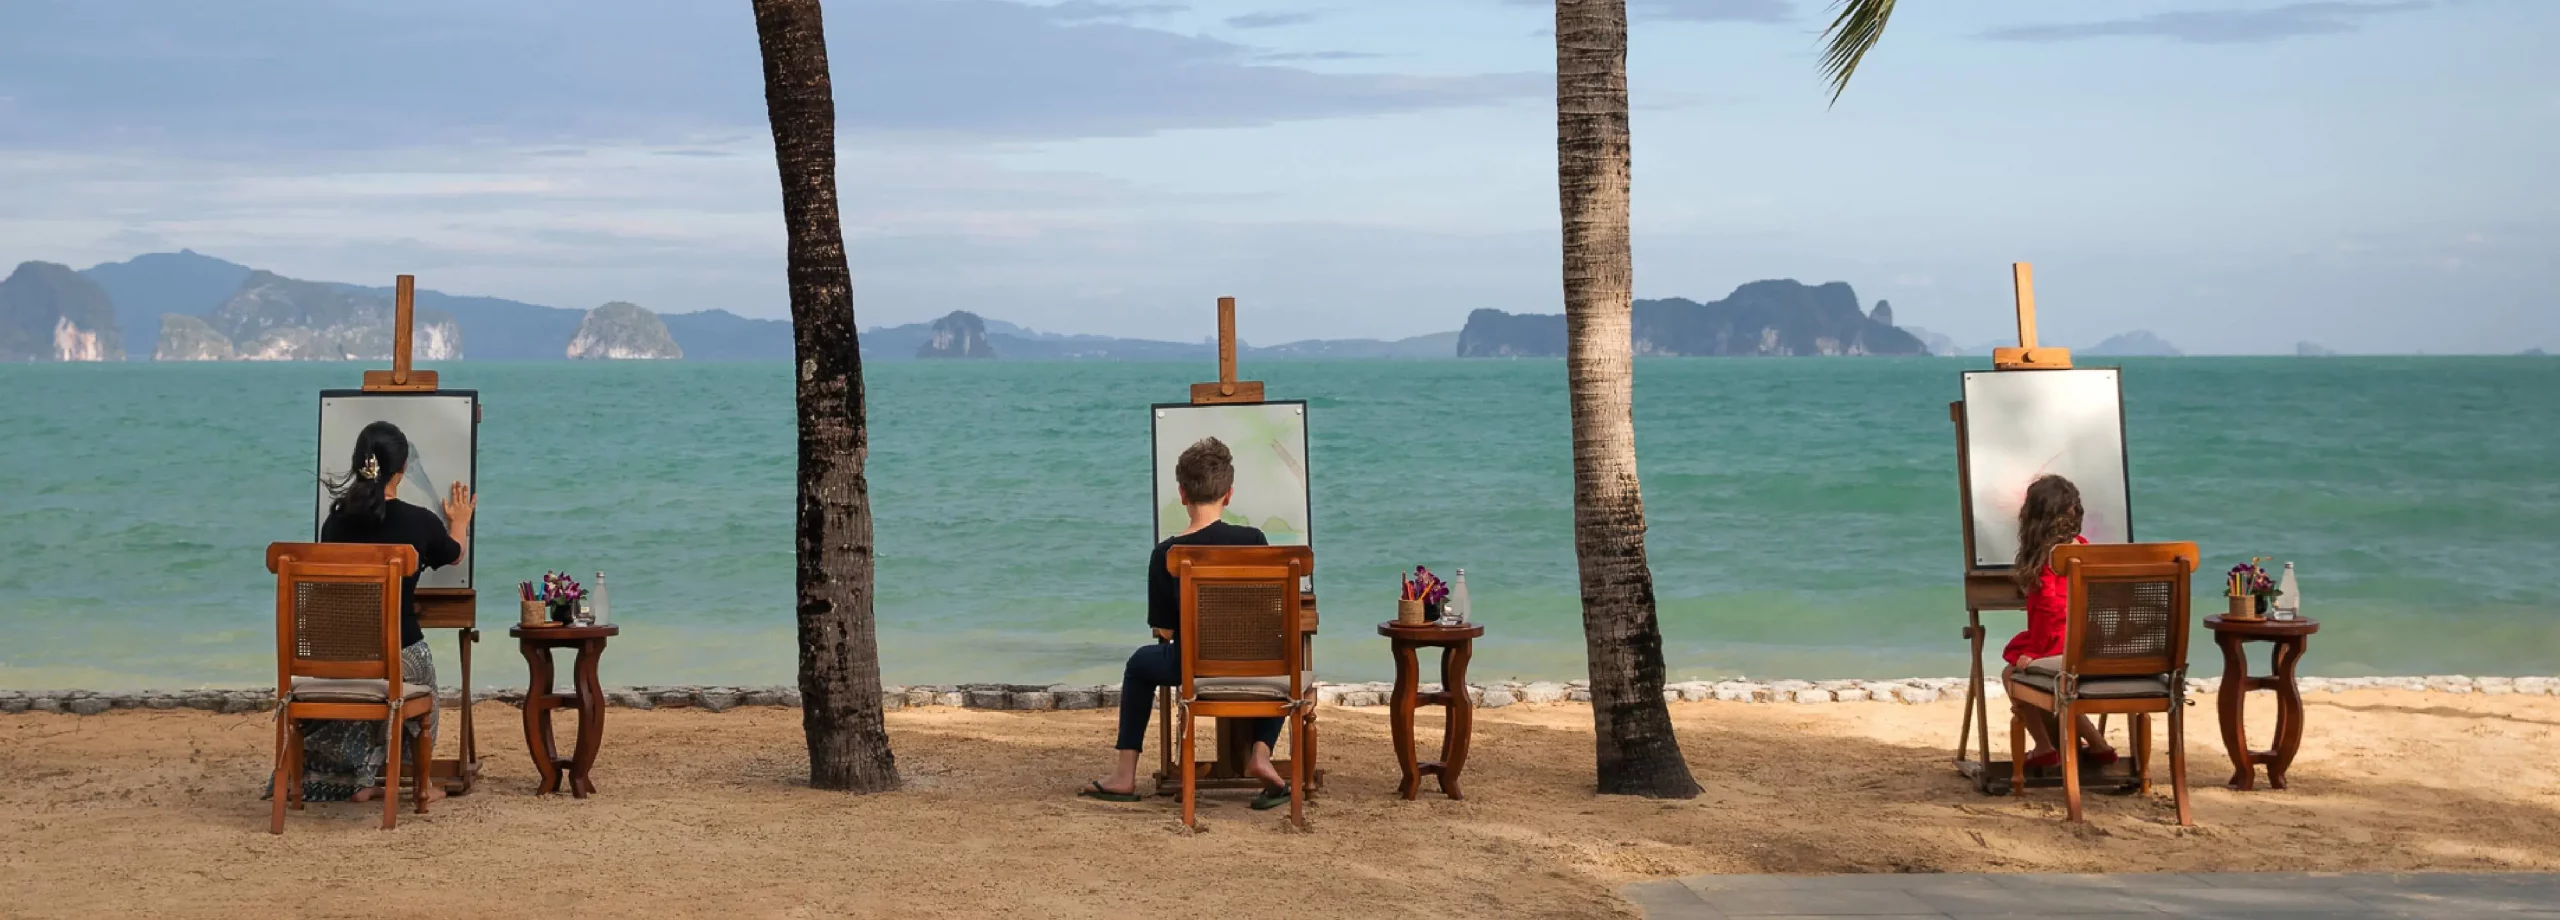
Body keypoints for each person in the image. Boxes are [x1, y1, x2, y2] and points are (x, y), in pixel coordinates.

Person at [1080, 437, 1293, 810]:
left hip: (1193, 665)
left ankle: (1124, 773)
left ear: (1182, 494)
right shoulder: (1254, 541)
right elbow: (1265, 612)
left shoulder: (1167, 553)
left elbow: (1165, 631)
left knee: (1138, 665)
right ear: (1228, 495)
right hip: (1253, 666)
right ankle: (1261, 752)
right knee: (1287, 660)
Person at [279, 421, 475, 804]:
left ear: (358, 463)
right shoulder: (420, 523)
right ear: (401, 469)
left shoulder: (334, 523)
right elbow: (454, 553)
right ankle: (418, 784)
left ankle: (363, 777)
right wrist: (461, 521)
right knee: (423, 689)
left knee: (379, 675)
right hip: (399, 654)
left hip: (341, 654)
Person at [2000, 473, 2117, 771]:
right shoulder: (2083, 547)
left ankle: (2044, 746)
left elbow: (2048, 611)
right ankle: (2099, 744)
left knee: (2011, 673)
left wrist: (2036, 652)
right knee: (2062, 685)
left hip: (2059, 645)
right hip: (2092, 645)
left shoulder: (2048, 558)